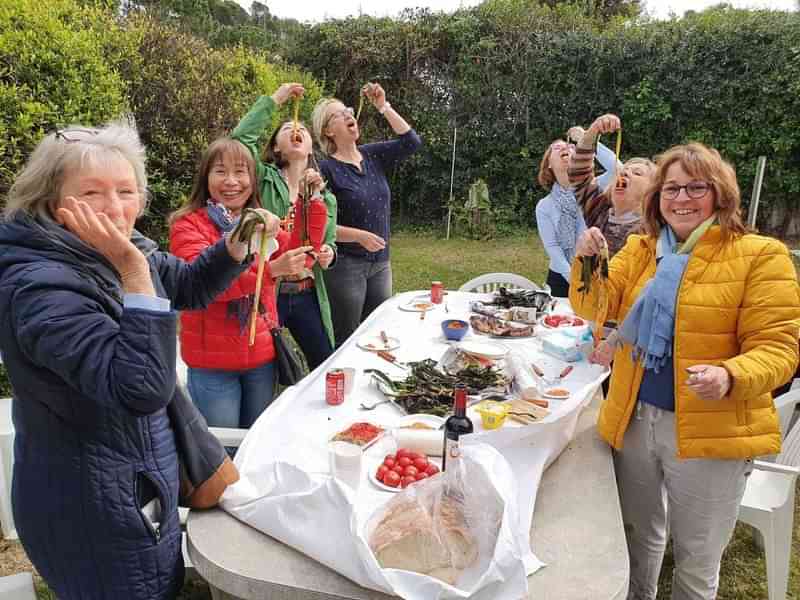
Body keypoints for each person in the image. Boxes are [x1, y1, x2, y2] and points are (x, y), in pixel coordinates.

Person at [0, 122, 278, 600]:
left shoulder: (106, 250)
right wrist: (131, 269)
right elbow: (141, 389)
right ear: (51, 202)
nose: (114, 208)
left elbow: (188, 284)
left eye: (126, 191)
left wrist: (237, 244)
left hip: (133, 482)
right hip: (92, 506)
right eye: (92, 193)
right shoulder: (40, 287)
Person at [570, 142, 800, 600]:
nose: (681, 198)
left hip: (712, 430)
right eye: (671, 187)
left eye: (697, 187)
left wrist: (730, 375)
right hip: (635, 416)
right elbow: (594, 306)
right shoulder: (642, 248)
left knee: (696, 560)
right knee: (638, 538)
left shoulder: (759, 255)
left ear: (720, 194)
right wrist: (588, 261)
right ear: (657, 197)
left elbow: (779, 349)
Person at [170, 138, 310, 428]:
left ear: (252, 179)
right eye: (220, 172)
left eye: (241, 172)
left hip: (262, 356)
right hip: (213, 364)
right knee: (223, 452)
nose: (231, 181)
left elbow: (301, 251)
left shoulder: (264, 221)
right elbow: (203, 286)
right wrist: (271, 272)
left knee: (256, 439)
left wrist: (310, 201)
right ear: (205, 178)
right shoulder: (188, 225)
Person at [232, 82, 337, 370]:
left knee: (324, 364)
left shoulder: (326, 198)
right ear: (277, 147)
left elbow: (328, 243)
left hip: (306, 291)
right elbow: (239, 142)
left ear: (311, 146)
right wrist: (276, 98)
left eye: (303, 130)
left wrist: (329, 253)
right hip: (269, 290)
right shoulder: (264, 178)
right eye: (288, 130)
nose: (297, 130)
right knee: (261, 366)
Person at [312, 83, 422, 346]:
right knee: (347, 337)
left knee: (378, 332)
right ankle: (340, 382)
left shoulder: (371, 155)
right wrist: (357, 236)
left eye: (349, 110)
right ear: (328, 131)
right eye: (340, 114)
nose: (349, 115)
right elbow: (318, 225)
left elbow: (411, 142)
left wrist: (383, 106)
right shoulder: (325, 169)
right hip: (346, 265)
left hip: (381, 263)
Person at [535, 113, 621, 297]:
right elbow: (553, 249)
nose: (565, 147)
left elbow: (618, 170)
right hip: (560, 278)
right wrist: (575, 279)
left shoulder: (595, 187)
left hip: (596, 270)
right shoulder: (545, 206)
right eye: (556, 147)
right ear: (548, 164)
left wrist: (587, 139)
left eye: (572, 147)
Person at [568, 115, 655, 257]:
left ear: (652, 191)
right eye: (623, 170)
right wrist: (592, 131)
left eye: (637, 173)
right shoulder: (600, 212)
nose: (625, 172)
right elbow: (579, 175)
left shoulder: (652, 227)